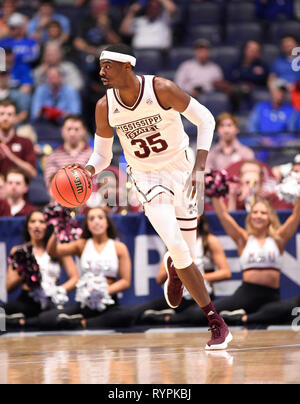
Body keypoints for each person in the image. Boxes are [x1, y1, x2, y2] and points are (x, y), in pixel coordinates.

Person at [79, 43, 232, 350]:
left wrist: (200, 166)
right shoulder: (104, 106)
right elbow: (102, 156)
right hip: (147, 178)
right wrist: (84, 171)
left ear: (127, 66)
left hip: (183, 173)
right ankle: (216, 322)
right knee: (177, 245)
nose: (101, 72)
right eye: (100, 66)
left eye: (107, 66)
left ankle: (176, 270)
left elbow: (206, 120)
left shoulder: (161, 88)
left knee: (188, 253)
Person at [170, 196, 300, 326]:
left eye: (263, 213)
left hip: (271, 296)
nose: (258, 216)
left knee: (291, 309)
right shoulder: (243, 239)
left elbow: (295, 216)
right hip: (246, 295)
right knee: (202, 314)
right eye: (255, 212)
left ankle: (243, 317)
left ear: (270, 217)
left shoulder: (278, 239)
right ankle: (168, 317)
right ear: (250, 217)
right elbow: (223, 216)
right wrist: (215, 190)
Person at [131, 215, 232, 325]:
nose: (191, 218)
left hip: (201, 295)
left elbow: (226, 272)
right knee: (140, 311)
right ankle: (169, 314)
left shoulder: (209, 241)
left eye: (194, 215)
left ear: (200, 218)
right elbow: (160, 278)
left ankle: (168, 318)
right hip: (178, 296)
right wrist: (176, 263)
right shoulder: (173, 243)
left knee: (198, 315)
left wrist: (194, 277)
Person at [43, 207, 133, 331]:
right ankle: (85, 321)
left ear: (107, 222)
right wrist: (57, 230)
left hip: (108, 302)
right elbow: (52, 252)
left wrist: (103, 291)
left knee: (126, 316)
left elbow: (126, 281)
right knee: (47, 318)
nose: (96, 221)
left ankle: (81, 323)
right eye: (91, 218)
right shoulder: (82, 244)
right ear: (87, 225)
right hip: (85, 302)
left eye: (100, 217)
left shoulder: (119, 247)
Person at [1, 209, 79, 330]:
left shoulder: (57, 249)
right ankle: (25, 321)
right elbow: (9, 287)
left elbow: (75, 278)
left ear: (48, 226)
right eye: (33, 221)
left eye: (41, 221)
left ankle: (22, 322)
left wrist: (59, 290)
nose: (37, 225)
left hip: (50, 300)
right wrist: (25, 269)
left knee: (50, 318)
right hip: (27, 300)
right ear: (27, 226)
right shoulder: (19, 251)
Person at [44, 114, 92, 187]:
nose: (72, 133)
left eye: (76, 129)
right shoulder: (53, 156)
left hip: (90, 196)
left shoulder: (93, 155)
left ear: (84, 131)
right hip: (61, 195)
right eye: (69, 129)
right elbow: (50, 184)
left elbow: (98, 181)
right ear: (62, 130)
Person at [0, 12, 40, 94]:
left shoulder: (30, 42)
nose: (11, 30)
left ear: (20, 28)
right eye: (10, 28)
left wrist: (17, 57)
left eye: (14, 28)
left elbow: (33, 56)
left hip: (22, 70)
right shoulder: (4, 41)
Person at [0, 99, 37, 179]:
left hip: (18, 188)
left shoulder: (26, 142)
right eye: (2, 114)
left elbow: (33, 173)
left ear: (15, 118)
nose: (5, 118)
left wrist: (11, 156)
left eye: (9, 114)